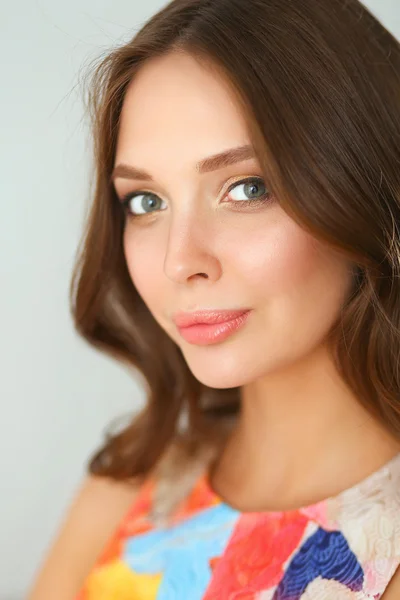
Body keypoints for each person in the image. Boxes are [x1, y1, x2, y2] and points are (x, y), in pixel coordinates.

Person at [28, 0, 400, 598]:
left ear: (364, 185)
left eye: (247, 187)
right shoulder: (123, 498)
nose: (180, 261)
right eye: (146, 202)